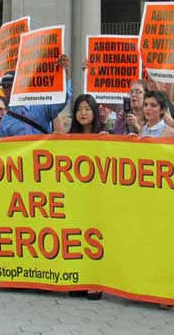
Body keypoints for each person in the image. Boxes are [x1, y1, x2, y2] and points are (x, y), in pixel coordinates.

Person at [66, 93, 103, 300]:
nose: (83, 113)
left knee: (95, 239)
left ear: (94, 112)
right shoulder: (68, 138)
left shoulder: (104, 136)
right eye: (79, 109)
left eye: (87, 109)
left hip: (97, 197)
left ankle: (95, 282)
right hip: (75, 196)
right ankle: (77, 278)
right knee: (76, 237)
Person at [0, 55, 73, 137]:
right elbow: (4, 148)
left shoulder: (40, 106)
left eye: (9, 86)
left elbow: (61, 100)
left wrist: (65, 75)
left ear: (20, 85)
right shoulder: (5, 120)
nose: (7, 91)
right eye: (4, 87)